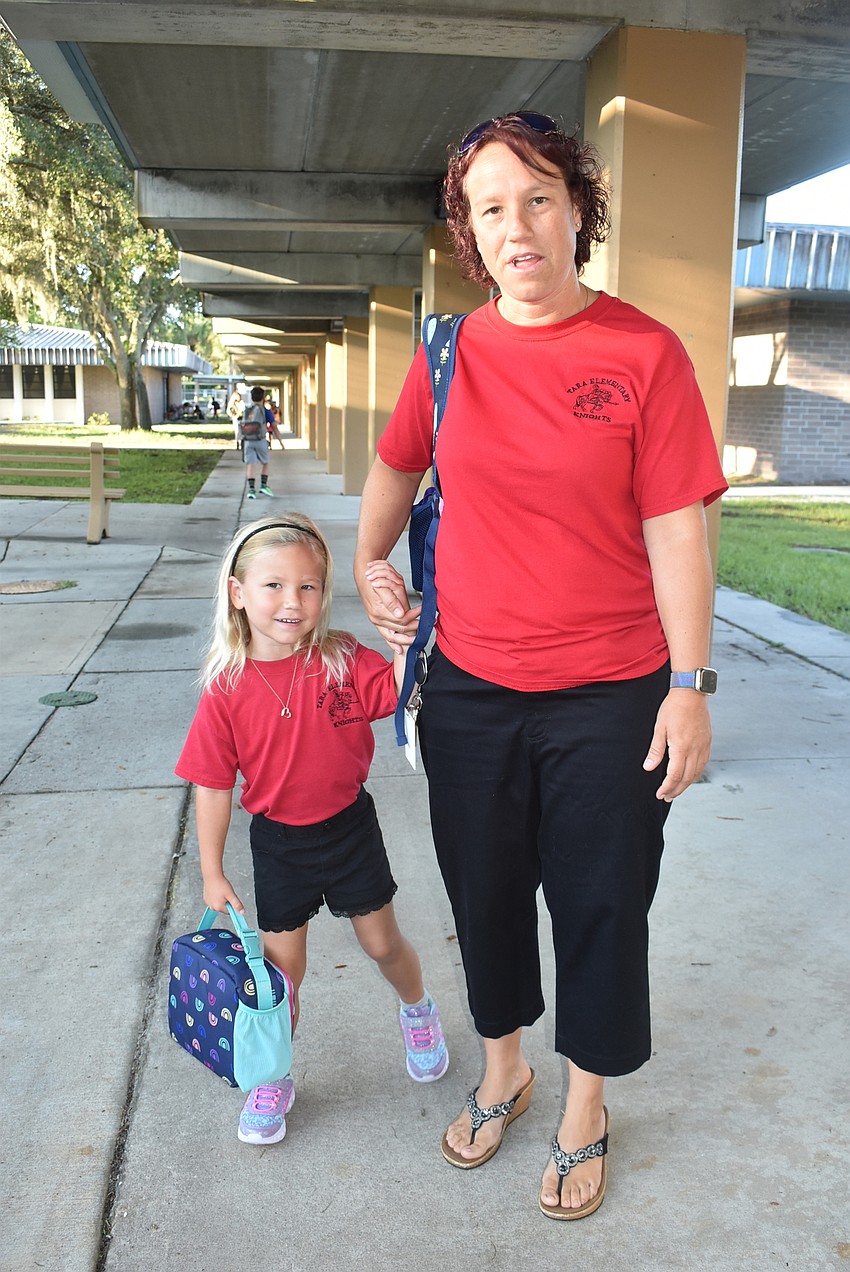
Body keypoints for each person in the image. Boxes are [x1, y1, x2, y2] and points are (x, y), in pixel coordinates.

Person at [354, 111, 727, 1220]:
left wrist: (690, 685)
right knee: (484, 890)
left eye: (538, 199)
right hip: (469, 685)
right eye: (489, 209)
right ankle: (505, 1066)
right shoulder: (446, 351)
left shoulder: (641, 353)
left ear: (577, 209)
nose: (517, 227)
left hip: (613, 691)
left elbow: (678, 531)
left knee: (602, 901)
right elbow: (391, 473)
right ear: (470, 234)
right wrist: (373, 561)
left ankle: (584, 1103)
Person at [175, 515, 449, 1146]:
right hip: (279, 845)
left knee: (382, 944)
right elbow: (212, 783)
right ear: (238, 593)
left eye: (308, 587)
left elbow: (406, 688)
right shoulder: (225, 688)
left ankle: (418, 1009)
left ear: (324, 594)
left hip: (350, 831)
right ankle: (273, 1075)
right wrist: (212, 870)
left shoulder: (342, 660)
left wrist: (407, 633)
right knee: (280, 975)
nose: (291, 602)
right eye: (273, 586)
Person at [240, 386, 275, 499]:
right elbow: (274, 426)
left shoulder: (247, 410)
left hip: (248, 440)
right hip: (260, 440)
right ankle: (263, 486)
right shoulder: (265, 411)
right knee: (265, 463)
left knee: (251, 465)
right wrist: (280, 441)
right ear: (263, 397)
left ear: (251, 397)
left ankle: (251, 490)